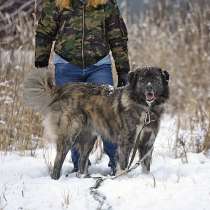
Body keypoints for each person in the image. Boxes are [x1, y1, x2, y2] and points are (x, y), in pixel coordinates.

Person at [35, 0, 130, 174]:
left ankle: (117, 163)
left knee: (108, 114)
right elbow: (44, 31)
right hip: (66, 65)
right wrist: (41, 62)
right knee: (71, 119)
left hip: (99, 65)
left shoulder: (106, 3)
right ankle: (80, 164)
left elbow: (117, 36)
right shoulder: (58, 2)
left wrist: (123, 70)